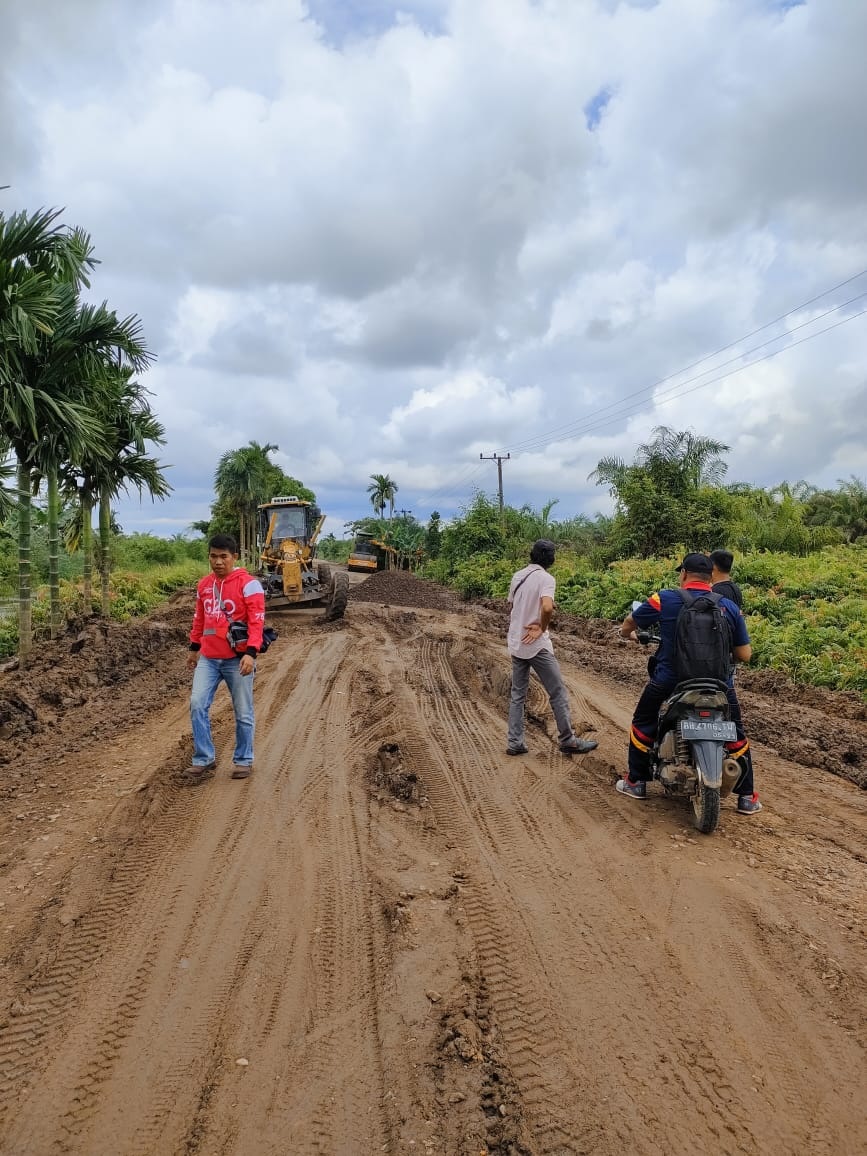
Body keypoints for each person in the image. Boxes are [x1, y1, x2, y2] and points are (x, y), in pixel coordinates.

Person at [617, 552, 762, 815]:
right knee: (736, 733)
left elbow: (630, 622)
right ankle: (747, 797)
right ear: (710, 577)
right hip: (719, 683)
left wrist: (627, 633)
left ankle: (636, 782)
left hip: (670, 680)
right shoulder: (728, 606)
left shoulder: (665, 599)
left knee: (643, 722)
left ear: (683, 574)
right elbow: (745, 655)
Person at [185, 533, 266, 784]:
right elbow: (200, 618)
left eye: (224, 556)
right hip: (208, 658)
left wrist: (251, 653)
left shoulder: (248, 584)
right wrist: (193, 646)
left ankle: (243, 760)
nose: (218, 562)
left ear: (235, 557)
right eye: (213, 556)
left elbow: (256, 620)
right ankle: (204, 758)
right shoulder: (204, 585)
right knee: (197, 704)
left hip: (237, 659)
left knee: (243, 712)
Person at [506, 539, 598, 757]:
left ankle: (515, 743)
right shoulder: (547, 579)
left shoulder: (518, 576)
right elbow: (546, 607)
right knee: (557, 692)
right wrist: (541, 626)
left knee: (518, 695)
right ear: (551, 558)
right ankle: (568, 740)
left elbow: (513, 604)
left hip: (517, 642)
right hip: (537, 645)